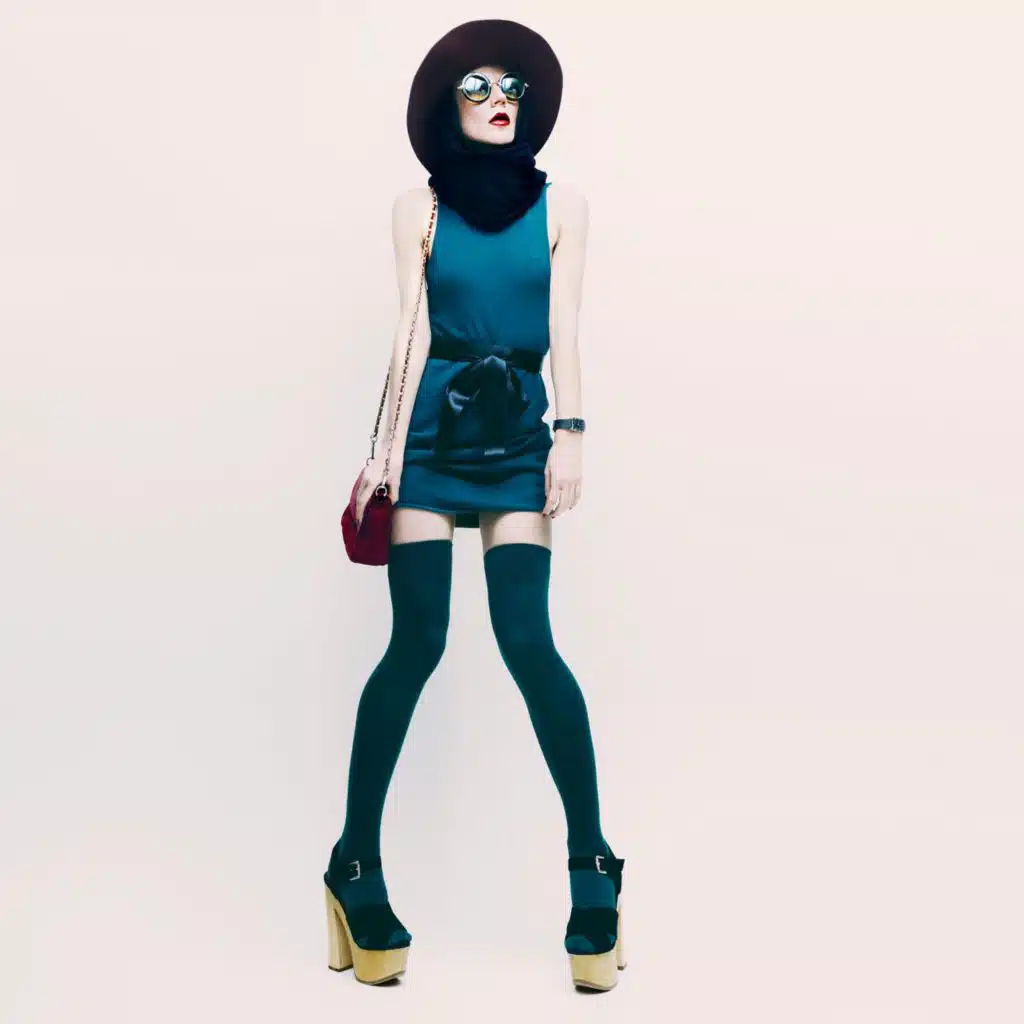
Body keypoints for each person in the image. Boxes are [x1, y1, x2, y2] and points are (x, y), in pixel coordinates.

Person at [322, 19, 626, 991]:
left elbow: (566, 324)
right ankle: (353, 863)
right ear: (447, 106)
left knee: (527, 640)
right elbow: (409, 331)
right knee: (417, 641)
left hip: (519, 428)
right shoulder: (415, 206)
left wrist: (571, 432)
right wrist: (381, 455)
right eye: (477, 88)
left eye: (511, 88)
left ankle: (593, 864)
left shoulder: (564, 205)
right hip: (431, 432)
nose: (499, 101)